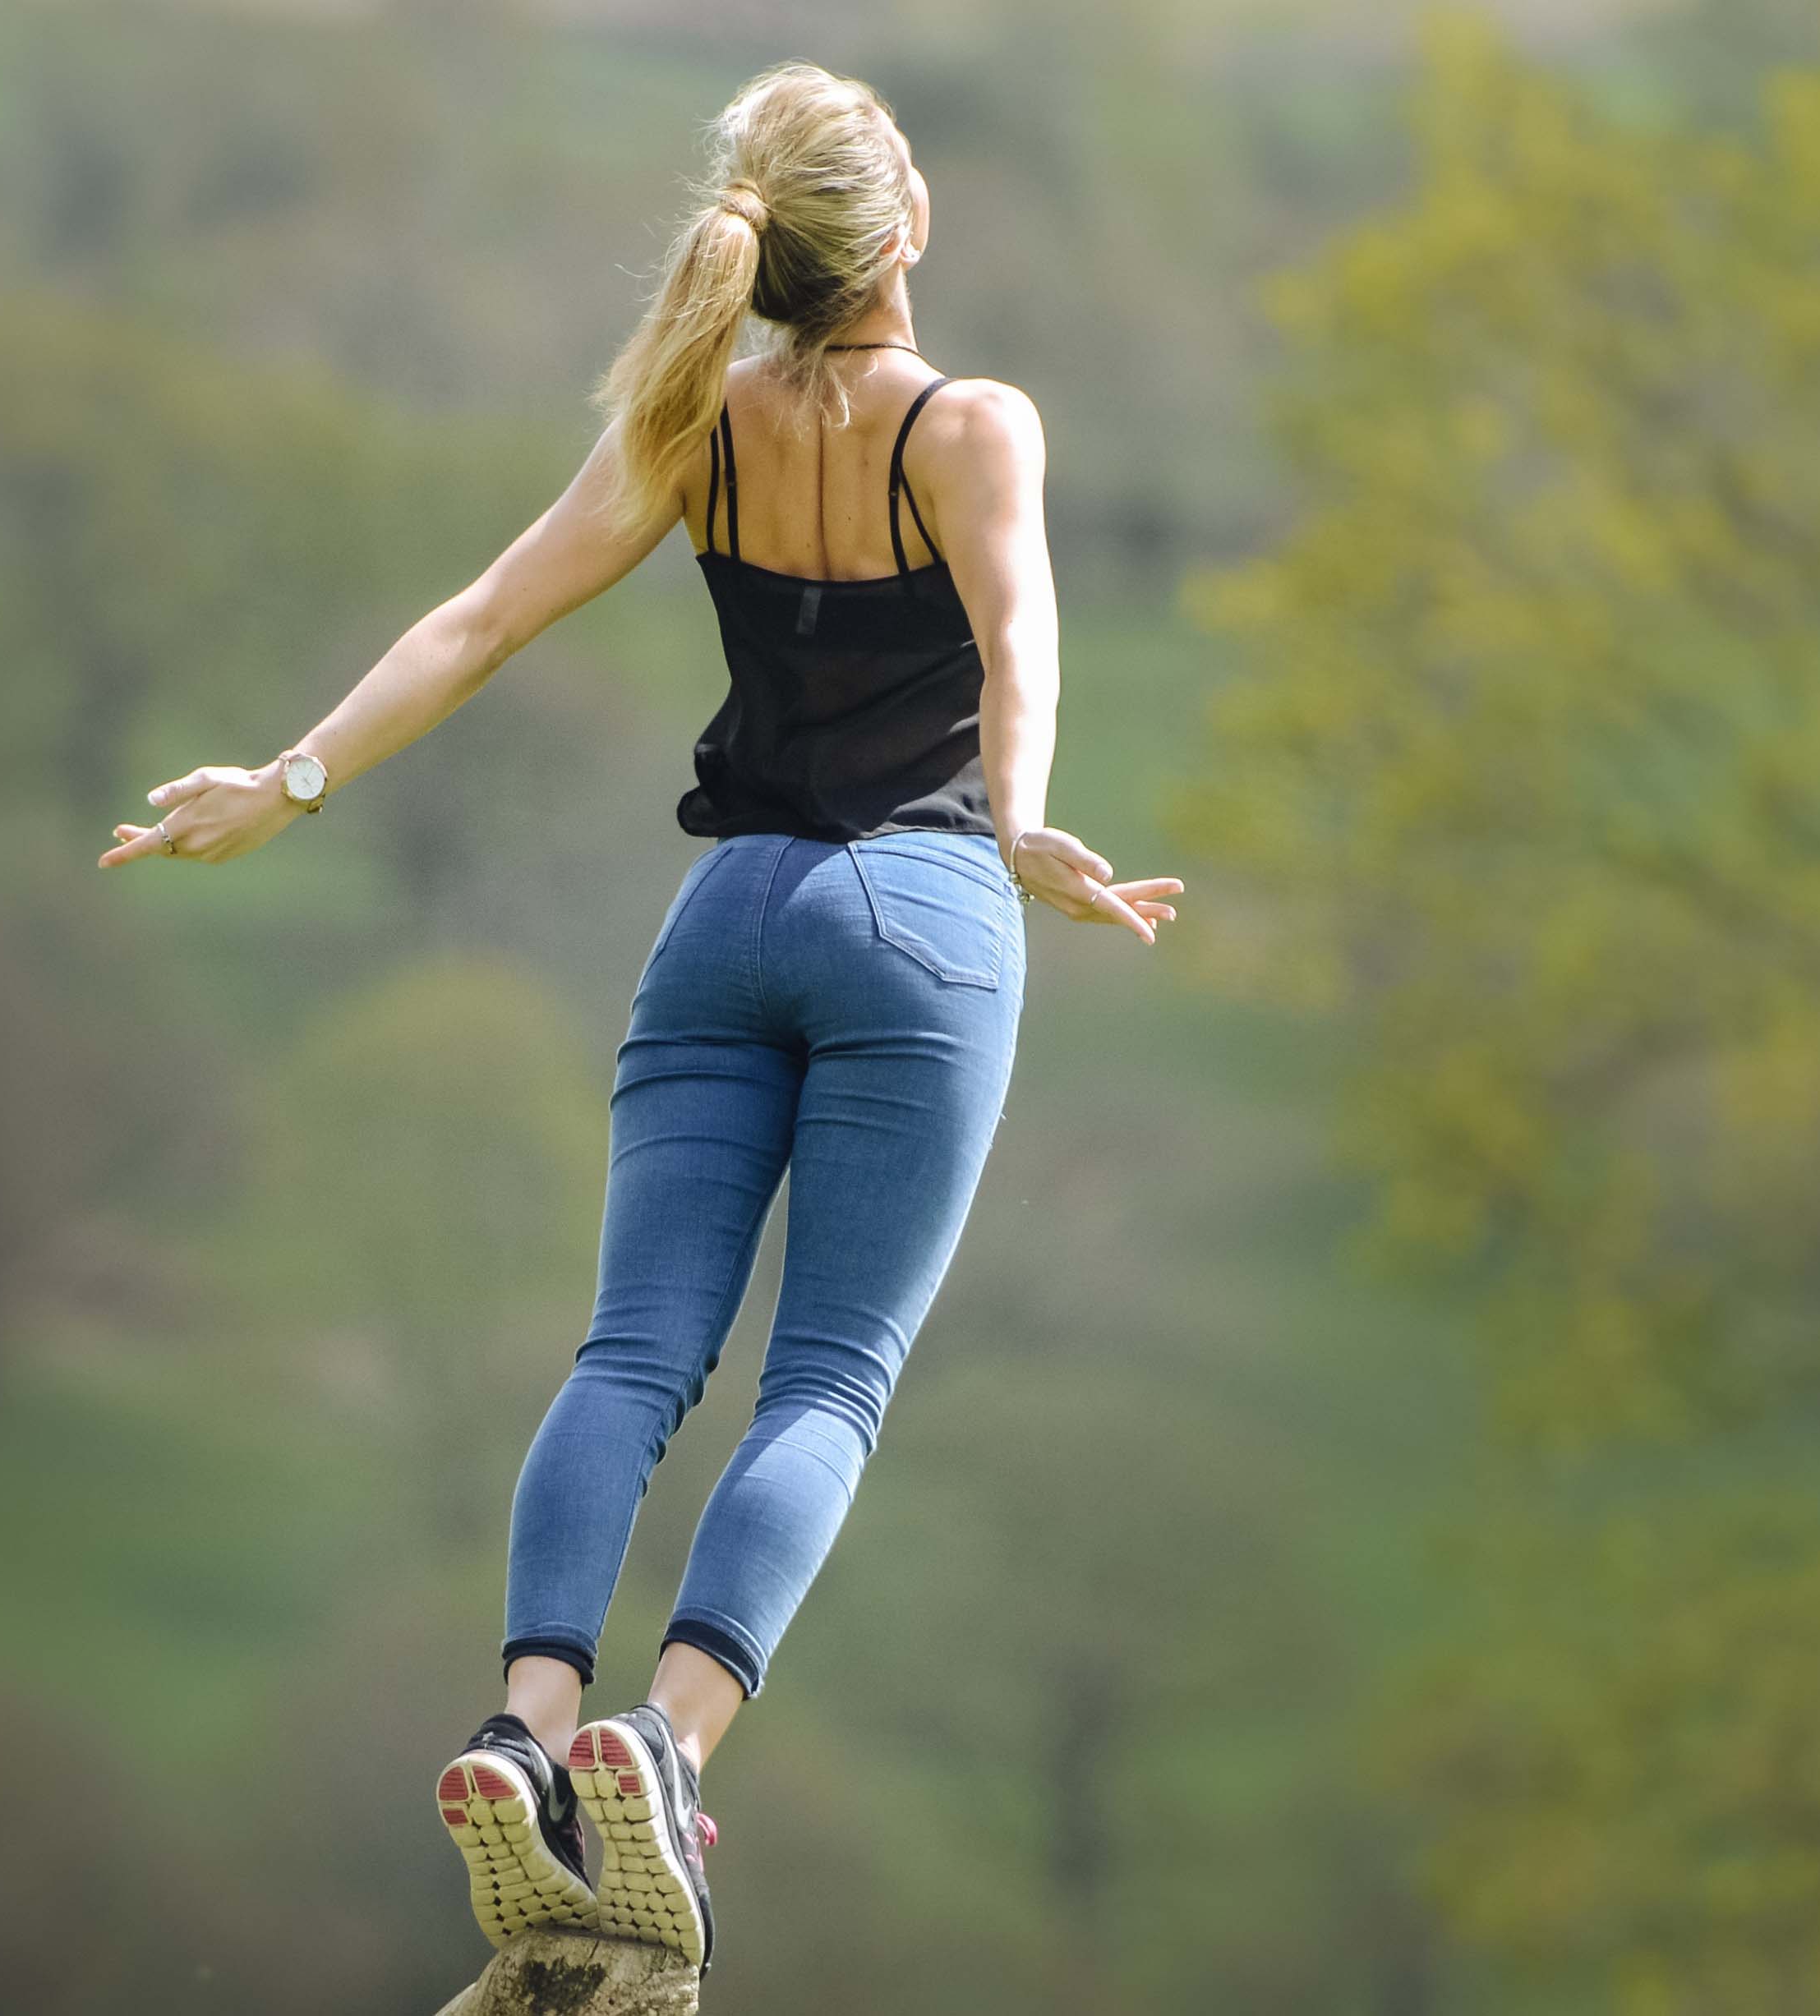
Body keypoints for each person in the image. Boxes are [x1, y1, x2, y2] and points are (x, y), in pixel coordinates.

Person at [90, 60, 1177, 1965]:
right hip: (913, 919)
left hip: (722, 923)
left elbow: (479, 617)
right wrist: (1014, 831)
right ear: (898, 230)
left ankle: (519, 1728)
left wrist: (293, 782)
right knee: (825, 1376)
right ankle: (661, 1751)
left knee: (629, 1357)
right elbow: (1022, 640)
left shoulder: (701, 425)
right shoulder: (972, 424)